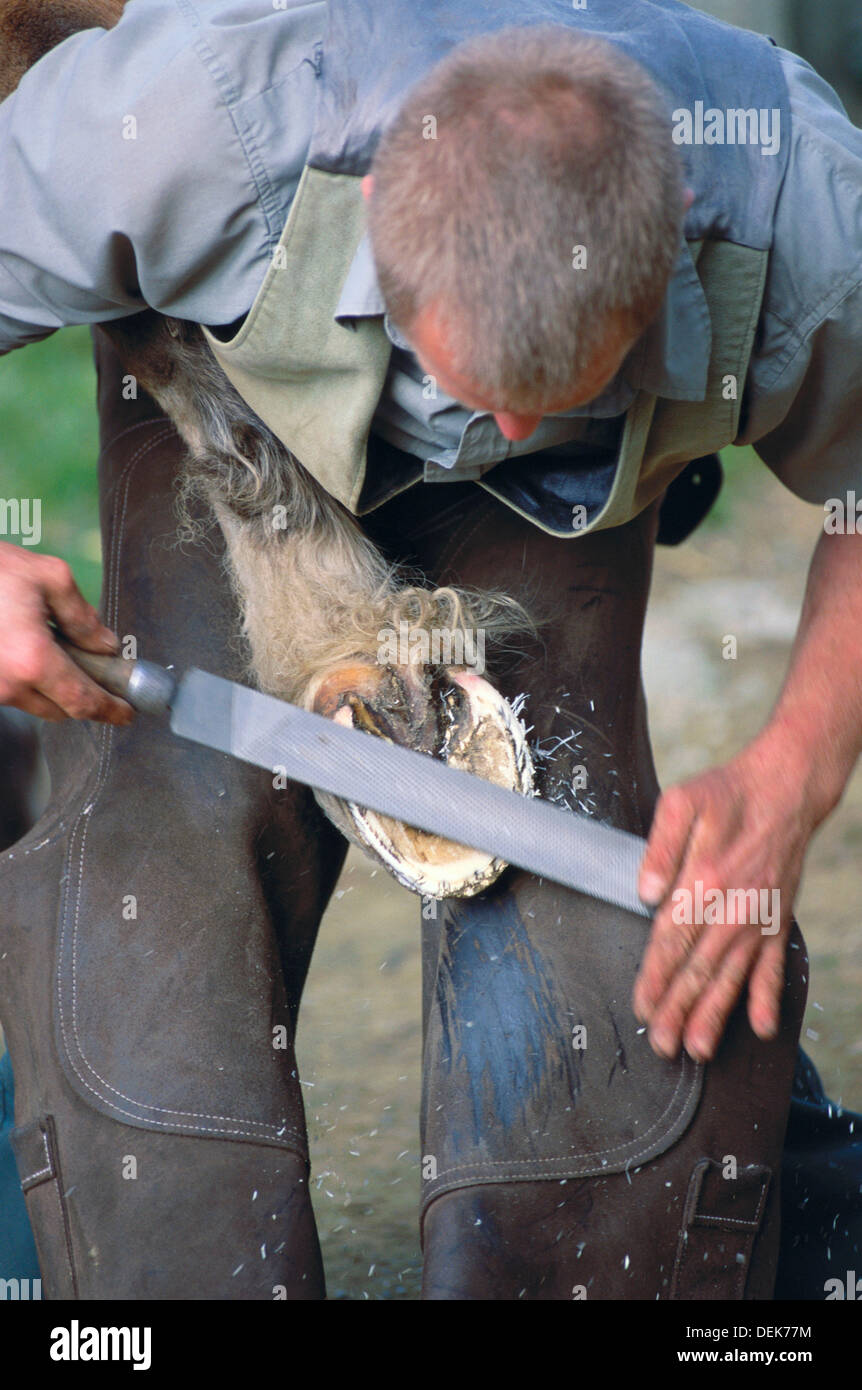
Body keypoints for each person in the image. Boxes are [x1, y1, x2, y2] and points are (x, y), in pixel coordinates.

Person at [0, 0, 860, 1300]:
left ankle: (773, 1176)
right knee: (160, 938)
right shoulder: (187, 120)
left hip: (575, 500)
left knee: (579, 1150)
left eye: (538, 395)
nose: (495, 419)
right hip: (239, 421)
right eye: (472, 384)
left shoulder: (793, 193)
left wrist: (793, 768)